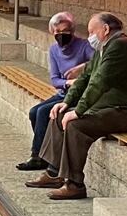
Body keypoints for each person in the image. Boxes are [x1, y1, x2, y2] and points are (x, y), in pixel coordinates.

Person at [27, 12, 127, 200]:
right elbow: (86, 77)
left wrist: (78, 111)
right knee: (58, 115)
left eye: (92, 31)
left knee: (76, 125)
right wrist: (67, 103)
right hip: (112, 108)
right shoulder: (106, 46)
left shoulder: (121, 46)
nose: (89, 36)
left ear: (106, 29)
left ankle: (75, 184)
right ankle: (54, 173)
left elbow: (99, 82)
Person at [18, 11, 93, 171]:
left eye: (65, 31)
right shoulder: (53, 50)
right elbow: (55, 80)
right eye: (57, 32)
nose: (61, 35)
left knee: (44, 112)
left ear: (72, 31)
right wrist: (68, 82)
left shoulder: (84, 46)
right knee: (33, 112)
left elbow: (96, 64)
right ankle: (44, 153)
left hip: (79, 94)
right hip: (64, 91)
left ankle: (37, 156)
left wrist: (81, 69)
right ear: (52, 32)